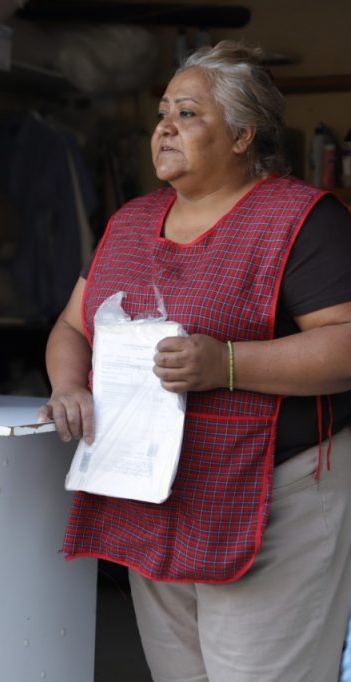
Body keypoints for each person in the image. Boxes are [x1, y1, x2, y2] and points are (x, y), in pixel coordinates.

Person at [38, 42, 351, 681]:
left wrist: (227, 365)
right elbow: (73, 324)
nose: (164, 127)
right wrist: (69, 385)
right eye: (162, 113)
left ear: (242, 135)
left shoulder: (300, 218)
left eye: (188, 113)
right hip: (156, 494)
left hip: (274, 496)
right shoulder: (131, 221)